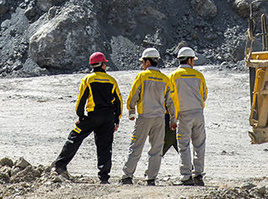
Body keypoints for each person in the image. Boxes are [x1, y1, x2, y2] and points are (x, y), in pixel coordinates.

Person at [53, 52, 124, 183]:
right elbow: (118, 102)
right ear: (103, 64)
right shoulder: (112, 80)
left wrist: (81, 116)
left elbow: (81, 101)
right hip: (108, 117)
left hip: (93, 116)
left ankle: (60, 165)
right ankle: (104, 177)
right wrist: (116, 120)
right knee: (105, 146)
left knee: (74, 137)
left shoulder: (88, 79)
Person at [119, 47, 179, 185]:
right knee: (156, 149)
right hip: (159, 118)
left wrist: (132, 111)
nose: (142, 64)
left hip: (144, 117)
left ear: (147, 62)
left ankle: (127, 176)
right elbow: (170, 101)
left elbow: (133, 95)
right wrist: (173, 119)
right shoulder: (165, 79)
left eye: (143, 62)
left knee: (136, 146)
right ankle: (151, 178)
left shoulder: (142, 76)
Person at [171, 46, 208, 185]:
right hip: (198, 113)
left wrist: (173, 116)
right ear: (191, 60)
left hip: (183, 114)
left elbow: (170, 96)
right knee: (199, 144)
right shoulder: (199, 75)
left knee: (184, 145)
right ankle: (198, 175)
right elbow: (204, 94)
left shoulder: (174, 76)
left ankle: (186, 176)